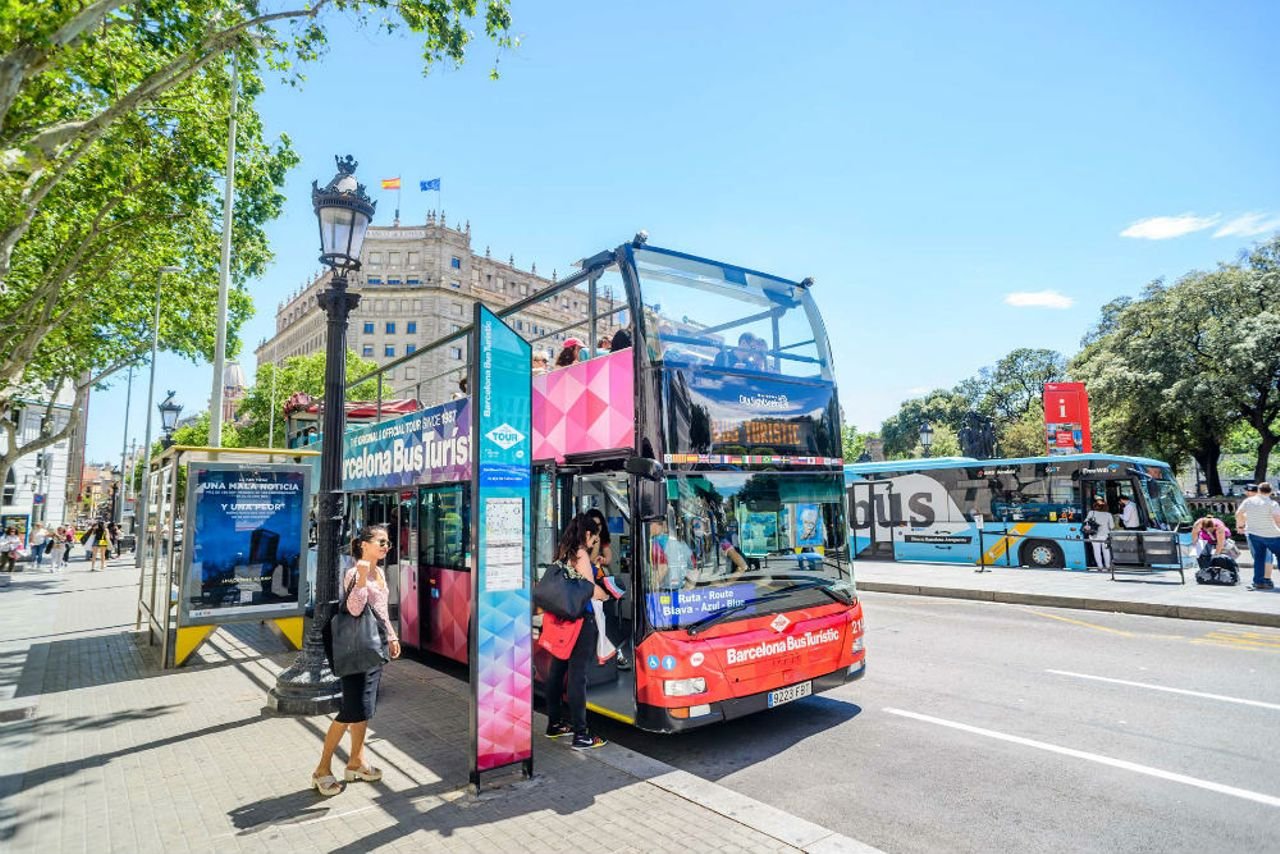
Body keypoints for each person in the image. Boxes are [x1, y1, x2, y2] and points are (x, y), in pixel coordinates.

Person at [311, 524, 401, 797]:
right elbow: (354, 608)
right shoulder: (354, 572)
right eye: (381, 542)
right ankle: (322, 770)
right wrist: (361, 577)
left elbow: (381, 612)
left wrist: (393, 636)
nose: (386, 547)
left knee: (364, 710)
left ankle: (356, 762)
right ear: (364, 544)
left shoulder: (381, 572)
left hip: (374, 648)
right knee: (350, 711)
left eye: (388, 543)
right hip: (356, 651)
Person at [541, 514, 608, 750]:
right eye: (594, 539)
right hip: (579, 622)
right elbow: (590, 590)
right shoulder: (580, 553)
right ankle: (581, 734)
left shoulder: (563, 551)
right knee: (577, 676)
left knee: (557, 671)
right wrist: (607, 593)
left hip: (560, 620)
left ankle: (555, 724)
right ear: (587, 534)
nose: (593, 544)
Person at [584, 508, 630, 671]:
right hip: (591, 583)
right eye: (594, 525)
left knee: (606, 618)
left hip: (602, 581)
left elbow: (609, 557)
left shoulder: (602, 540)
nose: (598, 527)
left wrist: (603, 558)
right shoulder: (586, 542)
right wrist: (595, 542)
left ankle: (615, 653)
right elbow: (588, 560)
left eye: (599, 524)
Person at [1235, 482, 1280, 591]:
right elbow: (1277, 519)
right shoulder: (1272, 504)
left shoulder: (1248, 501)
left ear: (1259, 490)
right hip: (1272, 535)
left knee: (1259, 558)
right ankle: (1264, 580)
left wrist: (1240, 526)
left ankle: (1259, 582)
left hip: (1254, 534)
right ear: (1271, 492)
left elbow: (1238, 514)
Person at [1084, 498, 1114, 570]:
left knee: (1097, 551)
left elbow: (1086, 521)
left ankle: (1100, 567)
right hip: (1105, 536)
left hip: (1094, 535)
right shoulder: (1108, 514)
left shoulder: (1091, 513)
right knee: (1106, 551)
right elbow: (1112, 526)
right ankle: (1108, 566)